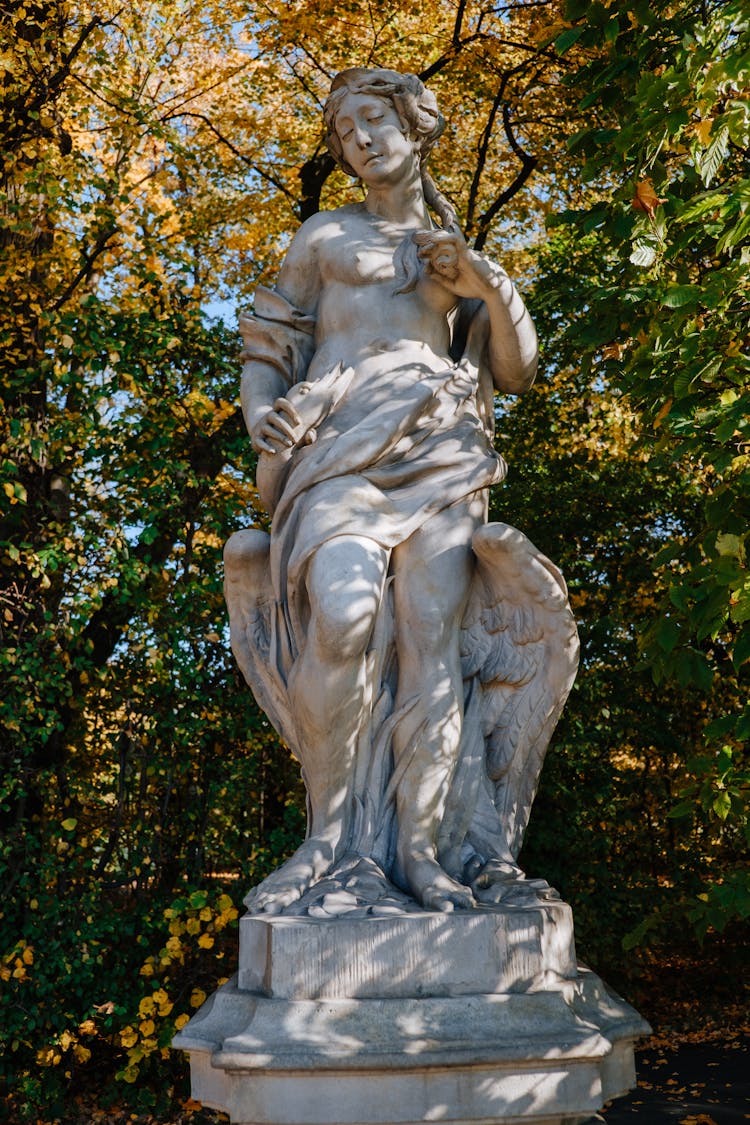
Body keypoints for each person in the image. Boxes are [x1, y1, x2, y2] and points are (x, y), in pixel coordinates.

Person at [229, 68, 541, 915]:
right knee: (341, 614)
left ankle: (420, 849)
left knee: (430, 638)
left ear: (412, 125)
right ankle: (328, 840)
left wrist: (482, 282)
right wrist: (262, 412)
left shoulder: (453, 256)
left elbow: (515, 369)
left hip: (439, 446)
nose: (359, 139)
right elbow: (269, 339)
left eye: (372, 120)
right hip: (337, 450)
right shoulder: (323, 237)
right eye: (344, 133)